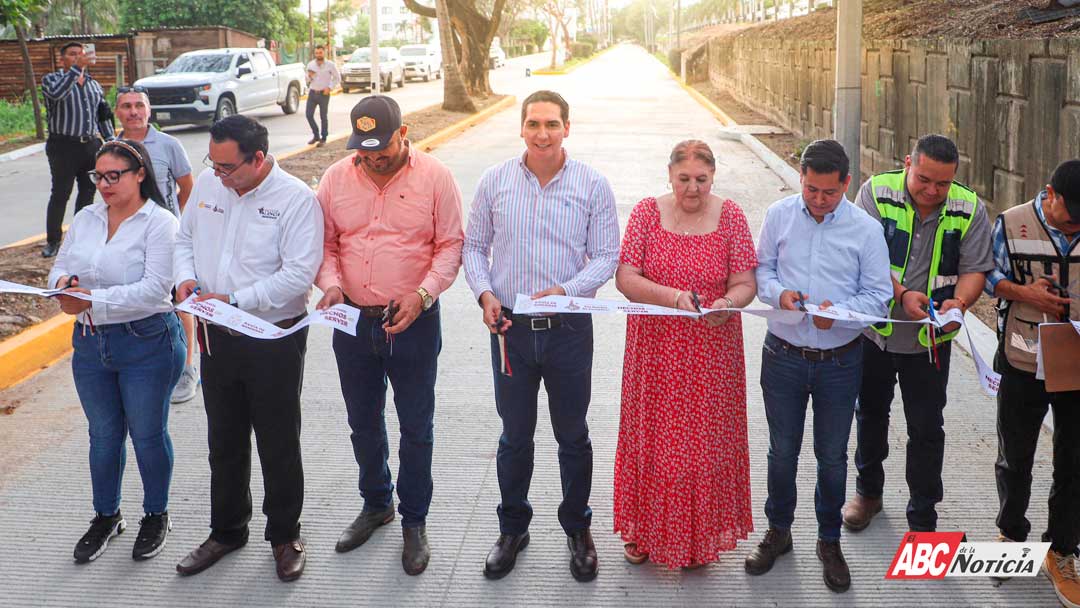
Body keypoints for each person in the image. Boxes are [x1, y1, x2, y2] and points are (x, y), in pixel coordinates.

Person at [462, 90, 620, 583]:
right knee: (515, 436)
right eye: (533, 124)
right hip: (508, 327)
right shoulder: (495, 181)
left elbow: (606, 255)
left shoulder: (593, 185)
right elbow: (473, 247)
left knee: (572, 434)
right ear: (522, 128)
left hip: (569, 328)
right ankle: (513, 528)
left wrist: (566, 291)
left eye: (552, 123)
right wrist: (484, 294)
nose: (542, 133)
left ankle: (577, 527)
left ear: (567, 127)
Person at [315, 95, 463, 575]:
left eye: (382, 147)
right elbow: (325, 243)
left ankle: (414, 520)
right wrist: (332, 286)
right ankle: (377, 503)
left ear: (404, 133)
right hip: (353, 320)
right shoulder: (337, 177)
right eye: (363, 148)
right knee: (363, 421)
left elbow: (449, 245)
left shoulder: (436, 177)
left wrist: (422, 294)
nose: (372, 157)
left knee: (416, 425)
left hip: (413, 320)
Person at [173, 115, 323, 582]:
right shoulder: (209, 188)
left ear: (258, 158)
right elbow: (183, 239)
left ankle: (284, 534)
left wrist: (236, 300)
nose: (218, 176)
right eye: (212, 165)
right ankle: (227, 530)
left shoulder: (296, 199)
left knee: (278, 440)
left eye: (227, 168)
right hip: (216, 335)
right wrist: (186, 279)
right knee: (225, 440)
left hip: (271, 337)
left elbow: (299, 275)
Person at [746, 139, 892, 593]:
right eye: (810, 189)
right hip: (783, 355)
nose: (818, 200)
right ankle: (779, 531)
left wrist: (843, 312)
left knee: (831, 458)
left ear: (847, 183)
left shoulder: (866, 230)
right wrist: (777, 294)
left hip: (840, 361)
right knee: (781, 451)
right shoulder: (779, 215)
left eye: (828, 192)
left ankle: (828, 540)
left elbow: (878, 297)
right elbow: (762, 271)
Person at [613, 140, 758, 569]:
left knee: (703, 446)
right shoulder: (645, 213)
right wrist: (675, 297)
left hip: (712, 351)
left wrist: (728, 304)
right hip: (656, 351)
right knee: (655, 440)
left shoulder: (730, 216)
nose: (692, 189)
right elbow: (626, 277)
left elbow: (746, 281)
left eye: (701, 179)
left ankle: (697, 537)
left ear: (713, 177)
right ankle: (644, 531)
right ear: (669, 175)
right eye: (684, 179)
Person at [842, 134, 994, 535]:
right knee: (870, 413)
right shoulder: (876, 192)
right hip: (877, 332)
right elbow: (863, 259)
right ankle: (867, 493)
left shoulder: (969, 208)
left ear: (954, 178)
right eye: (923, 179)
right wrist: (904, 295)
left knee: (926, 428)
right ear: (908, 162)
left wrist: (958, 304)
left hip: (930, 342)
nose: (931, 191)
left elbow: (975, 268)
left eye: (941, 184)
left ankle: (923, 516)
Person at [48, 139, 185, 564]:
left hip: (146, 340)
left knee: (147, 435)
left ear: (139, 173)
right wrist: (65, 287)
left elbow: (155, 290)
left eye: (114, 176)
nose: (104, 185)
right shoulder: (87, 217)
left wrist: (94, 300)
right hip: (90, 343)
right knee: (103, 436)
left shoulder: (160, 223)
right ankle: (106, 516)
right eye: (98, 177)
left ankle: (155, 514)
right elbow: (60, 266)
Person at [986, 159, 1080, 606]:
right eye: (1071, 211)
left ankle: (1061, 550)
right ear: (1050, 194)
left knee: (1075, 461)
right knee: (1015, 456)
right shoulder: (1011, 223)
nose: (1077, 221)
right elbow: (989, 279)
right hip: (1023, 358)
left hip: (1077, 364)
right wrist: (1028, 293)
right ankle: (1011, 536)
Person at [113, 86, 200, 405]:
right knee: (143, 302)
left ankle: (188, 367)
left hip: (168, 237)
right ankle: (149, 366)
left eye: (139, 105)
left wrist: (170, 219)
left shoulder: (168, 145)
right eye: (126, 106)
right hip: (127, 239)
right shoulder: (113, 147)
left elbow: (187, 187)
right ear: (117, 112)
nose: (133, 111)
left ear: (149, 111)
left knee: (179, 302)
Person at [41, 41, 115, 258]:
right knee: (61, 193)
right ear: (62, 59)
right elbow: (56, 95)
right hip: (63, 145)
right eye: (72, 54)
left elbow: (102, 115)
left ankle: (79, 238)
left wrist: (110, 139)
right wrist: (76, 70)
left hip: (90, 145)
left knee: (88, 192)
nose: (77, 57)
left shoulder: (94, 84)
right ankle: (53, 241)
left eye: (80, 54)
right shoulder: (51, 80)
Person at [306, 44, 341, 147]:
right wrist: (309, 76)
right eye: (316, 53)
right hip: (313, 92)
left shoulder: (330, 65)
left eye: (320, 52)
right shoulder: (311, 65)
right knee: (309, 115)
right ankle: (316, 135)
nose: (318, 54)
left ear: (324, 53)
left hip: (324, 94)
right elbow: (307, 80)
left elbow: (337, 78)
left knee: (323, 116)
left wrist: (329, 87)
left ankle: (323, 138)